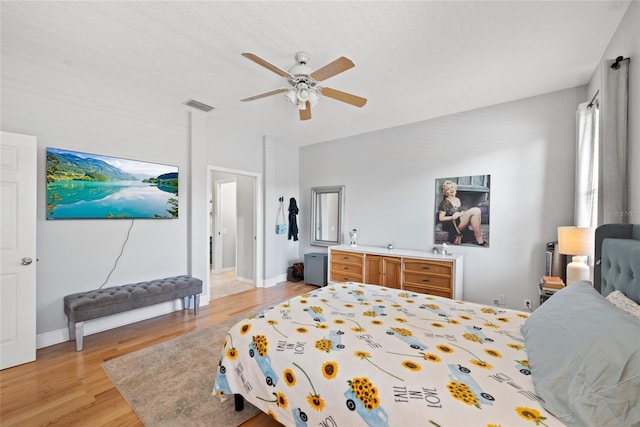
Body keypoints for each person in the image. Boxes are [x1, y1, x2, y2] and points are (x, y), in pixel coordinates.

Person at [438, 180, 487, 246]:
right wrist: (452, 217)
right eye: (448, 189)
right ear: (445, 192)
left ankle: (478, 237)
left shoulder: (457, 199)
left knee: (476, 211)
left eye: (452, 187)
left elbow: (460, 212)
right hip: (453, 225)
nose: (451, 190)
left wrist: (462, 213)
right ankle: (479, 238)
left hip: (460, 221)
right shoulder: (446, 202)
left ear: (455, 189)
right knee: (475, 210)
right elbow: (441, 218)